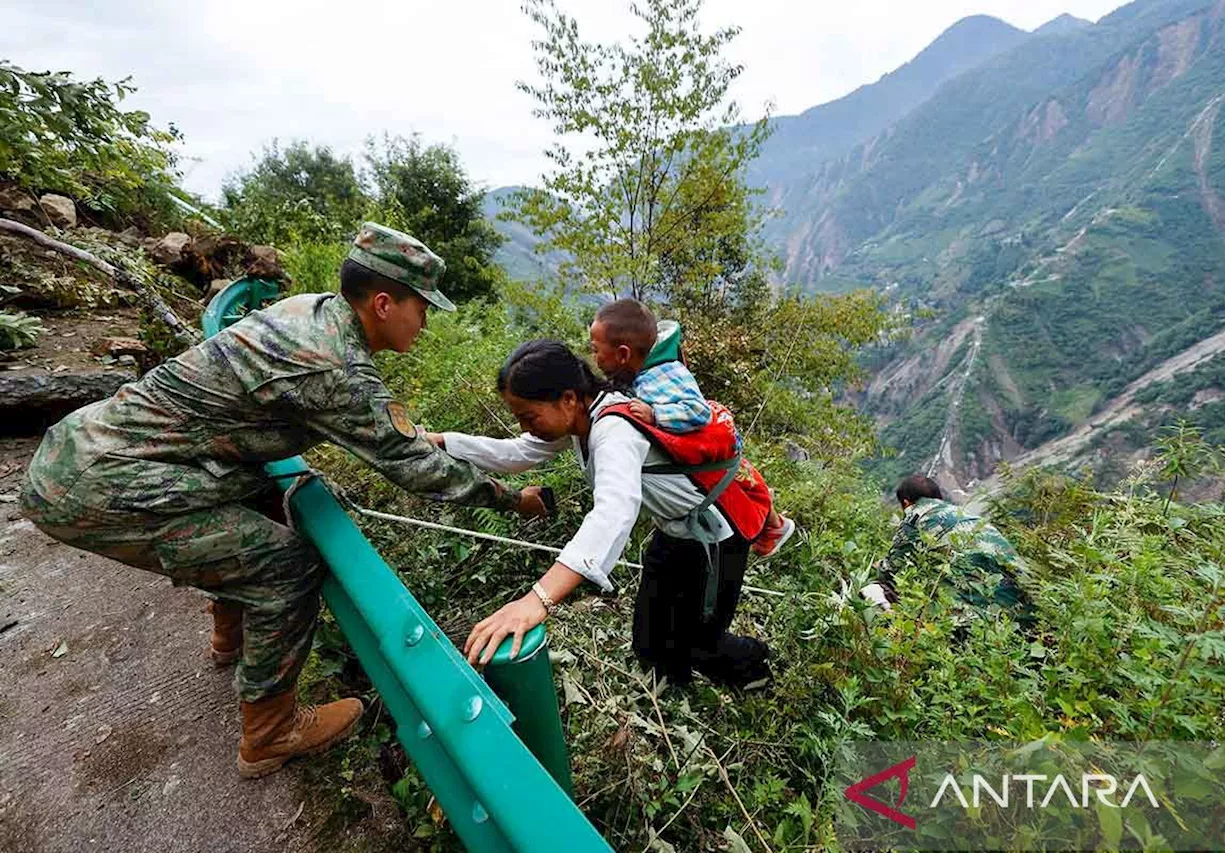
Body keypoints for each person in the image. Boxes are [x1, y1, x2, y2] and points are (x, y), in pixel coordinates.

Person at [20, 222, 546, 778]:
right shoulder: (336, 367)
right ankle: (270, 731)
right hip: (102, 483)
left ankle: (232, 637)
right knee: (286, 568)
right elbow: (415, 466)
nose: (427, 321)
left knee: (263, 496)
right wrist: (511, 500)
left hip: (90, 448)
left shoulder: (311, 312)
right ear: (386, 303)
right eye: (423, 308)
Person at [430, 340, 773, 690]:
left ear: (567, 399)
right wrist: (442, 442)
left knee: (702, 641)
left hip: (717, 538)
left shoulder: (614, 430)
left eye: (529, 416)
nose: (524, 426)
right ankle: (674, 690)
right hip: (675, 530)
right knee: (650, 640)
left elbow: (614, 511)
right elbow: (516, 453)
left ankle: (757, 669)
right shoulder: (583, 419)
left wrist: (538, 599)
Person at [588, 298, 796, 558]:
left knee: (740, 483)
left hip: (702, 442)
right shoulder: (644, 369)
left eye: (596, 350)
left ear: (623, 354)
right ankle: (773, 525)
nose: (594, 357)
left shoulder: (661, 376)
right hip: (700, 447)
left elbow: (698, 412)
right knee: (743, 480)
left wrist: (656, 415)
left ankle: (773, 526)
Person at [864, 474, 1033, 627]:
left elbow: (891, 569)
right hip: (1026, 611)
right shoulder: (969, 516)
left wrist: (880, 566)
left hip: (977, 619)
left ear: (906, 503)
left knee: (872, 590)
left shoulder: (915, 517)